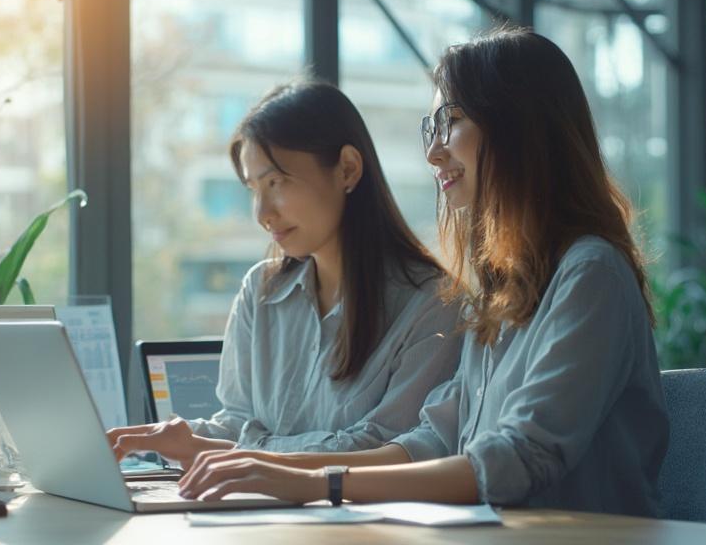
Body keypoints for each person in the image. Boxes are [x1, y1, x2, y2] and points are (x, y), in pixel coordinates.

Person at [172, 27, 670, 518]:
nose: (433, 152)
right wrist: (268, 468)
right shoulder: (503, 291)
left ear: (520, 126)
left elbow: (516, 459)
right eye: (430, 129)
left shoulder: (591, 274)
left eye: (450, 122)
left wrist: (313, 483)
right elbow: (433, 439)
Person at [108, 81, 463, 469]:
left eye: (276, 182)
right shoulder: (259, 291)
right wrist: (187, 438)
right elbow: (239, 422)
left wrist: (235, 453)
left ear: (347, 168)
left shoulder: (433, 304)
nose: (262, 213)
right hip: (257, 516)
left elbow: (384, 451)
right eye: (252, 188)